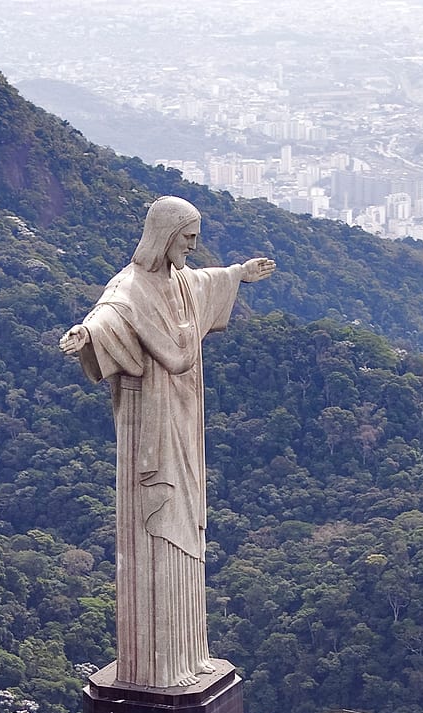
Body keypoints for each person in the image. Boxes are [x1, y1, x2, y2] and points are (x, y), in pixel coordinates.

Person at [61, 196, 276, 688]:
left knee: (185, 531)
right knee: (155, 535)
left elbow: (206, 284)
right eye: (187, 237)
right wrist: (85, 335)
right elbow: (109, 315)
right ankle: (153, 665)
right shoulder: (131, 287)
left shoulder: (180, 280)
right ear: (164, 235)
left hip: (183, 418)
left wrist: (238, 273)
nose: (193, 246)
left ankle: (187, 655)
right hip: (149, 425)